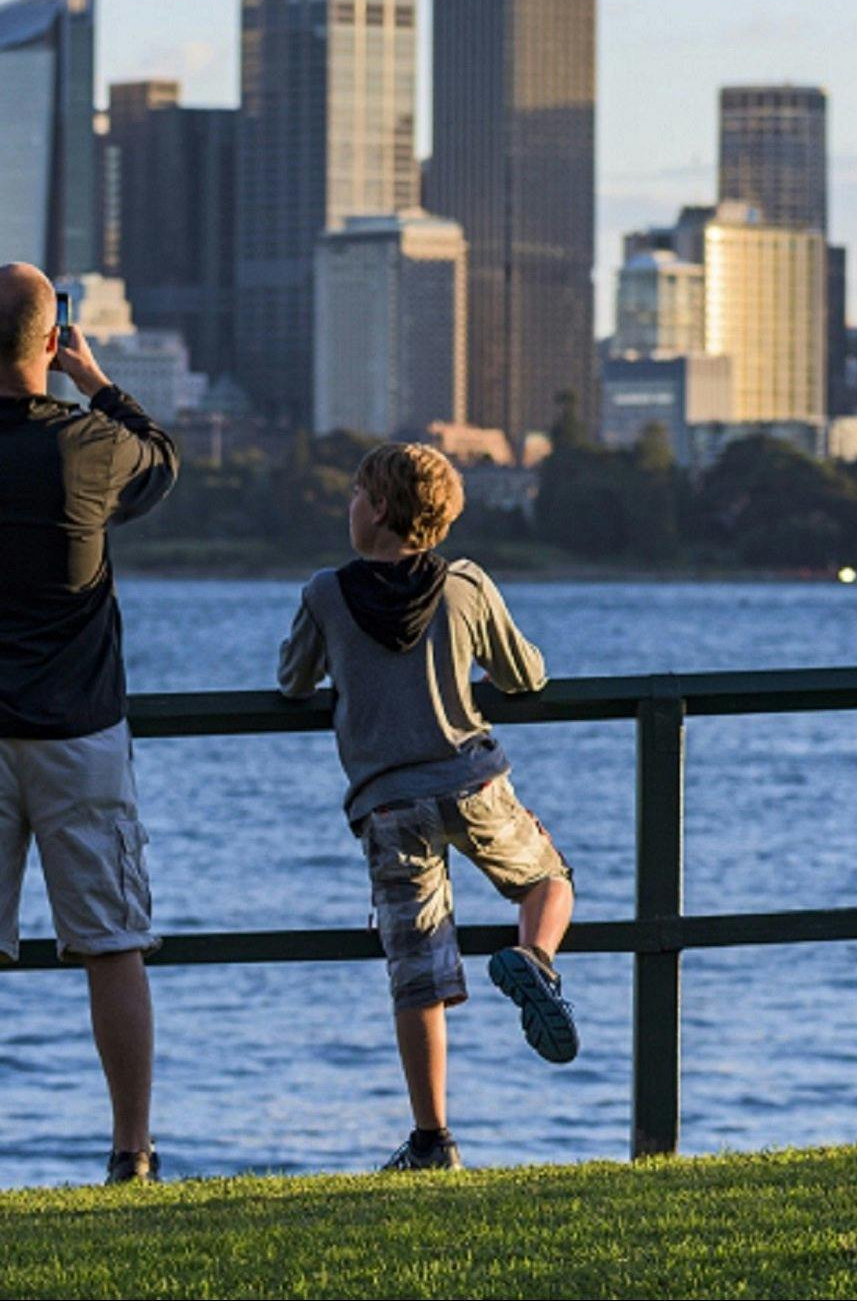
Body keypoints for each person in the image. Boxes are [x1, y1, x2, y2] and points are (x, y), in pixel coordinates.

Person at [0, 263, 180, 1192]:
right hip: (81, 732)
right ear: (53, 341)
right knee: (112, 943)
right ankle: (131, 1151)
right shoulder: (89, 446)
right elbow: (161, 459)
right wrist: (92, 380)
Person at [277, 442, 580, 1172]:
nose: (348, 504)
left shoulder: (326, 593)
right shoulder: (466, 584)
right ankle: (534, 956)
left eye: (355, 493)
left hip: (388, 804)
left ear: (379, 509)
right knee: (548, 879)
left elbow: (291, 681)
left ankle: (431, 1138)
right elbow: (526, 673)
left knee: (418, 971)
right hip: (474, 784)